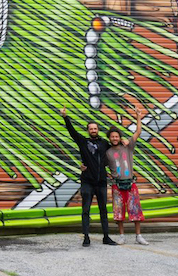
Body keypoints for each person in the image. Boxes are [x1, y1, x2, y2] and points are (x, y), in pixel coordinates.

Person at [60, 107, 116, 246]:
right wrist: (65, 117)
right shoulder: (83, 142)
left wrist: (124, 142)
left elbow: (116, 148)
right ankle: (86, 237)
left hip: (101, 182)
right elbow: (71, 132)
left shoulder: (104, 143)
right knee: (86, 210)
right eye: (91, 129)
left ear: (98, 130)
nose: (93, 130)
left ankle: (106, 237)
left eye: (95, 128)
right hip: (87, 182)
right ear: (88, 131)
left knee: (103, 210)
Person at [107, 100, 149, 245]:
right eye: (112, 137)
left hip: (130, 184)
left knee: (135, 210)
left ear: (119, 137)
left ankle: (138, 236)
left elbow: (138, 132)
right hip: (117, 186)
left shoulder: (128, 146)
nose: (114, 138)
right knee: (119, 212)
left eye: (116, 136)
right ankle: (122, 236)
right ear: (109, 138)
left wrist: (138, 116)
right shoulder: (107, 152)